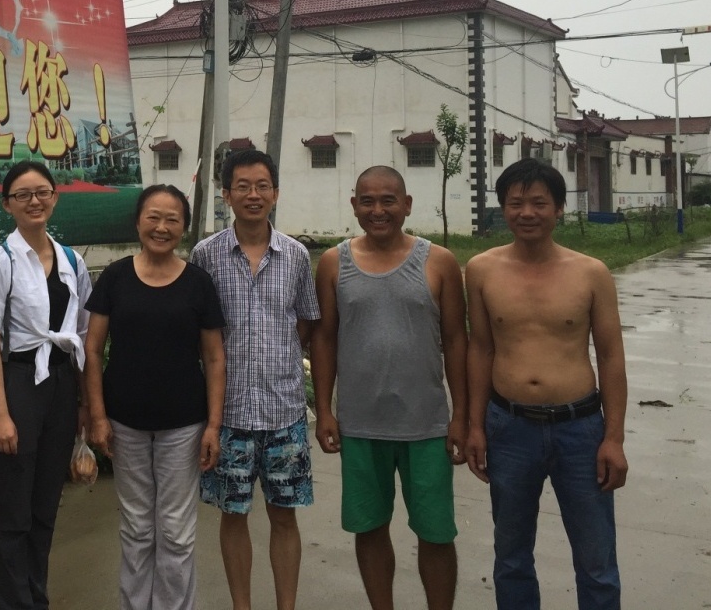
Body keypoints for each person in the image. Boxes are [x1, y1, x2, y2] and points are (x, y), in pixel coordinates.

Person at [466, 158, 628, 610]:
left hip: (580, 428)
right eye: (515, 203)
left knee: (596, 559)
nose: (527, 213)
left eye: (539, 203)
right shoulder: (481, 269)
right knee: (511, 556)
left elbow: (611, 356)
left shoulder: (591, 272)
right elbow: (480, 349)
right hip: (509, 427)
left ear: (558, 209)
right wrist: (475, 426)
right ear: (502, 208)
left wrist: (613, 437)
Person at [311, 166, 468, 610]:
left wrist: (462, 415)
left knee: (436, 533)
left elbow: (457, 340)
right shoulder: (333, 263)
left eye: (388, 200)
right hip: (361, 425)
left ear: (407, 205)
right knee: (370, 528)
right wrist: (324, 410)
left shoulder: (439, 261)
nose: (377, 210)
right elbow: (324, 338)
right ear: (354, 206)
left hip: (427, 425)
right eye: (367, 201)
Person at [84, 184, 227, 610]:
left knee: (176, 532)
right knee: (137, 528)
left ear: (184, 228)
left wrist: (213, 425)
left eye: (172, 220)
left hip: (184, 425)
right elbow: (93, 349)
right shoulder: (115, 277)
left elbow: (214, 357)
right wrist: (98, 416)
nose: (161, 227)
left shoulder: (198, 283)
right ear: (138, 222)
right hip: (124, 423)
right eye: (153, 217)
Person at [190, 148, 320, 610]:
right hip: (229, 415)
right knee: (233, 516)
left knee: (285, 517)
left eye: (262, 186)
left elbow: (304, 322)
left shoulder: (296, 256)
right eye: (242, 186)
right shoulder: (205, 255)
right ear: (226, 194)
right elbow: (197, 329)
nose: (253, 195)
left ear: (275, 193)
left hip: (284, 413)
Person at [0, 161, 93, 610]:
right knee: (13, 512)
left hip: (60, 384)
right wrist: (0, 414)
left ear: (55, 197)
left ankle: (35, 599)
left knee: (45, 506)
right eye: (22, 195)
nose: (34, 201)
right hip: (18, 383)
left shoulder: (72, 260)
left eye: (42, 192)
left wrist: (83, 404)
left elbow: (81, 335)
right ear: (7, 205)